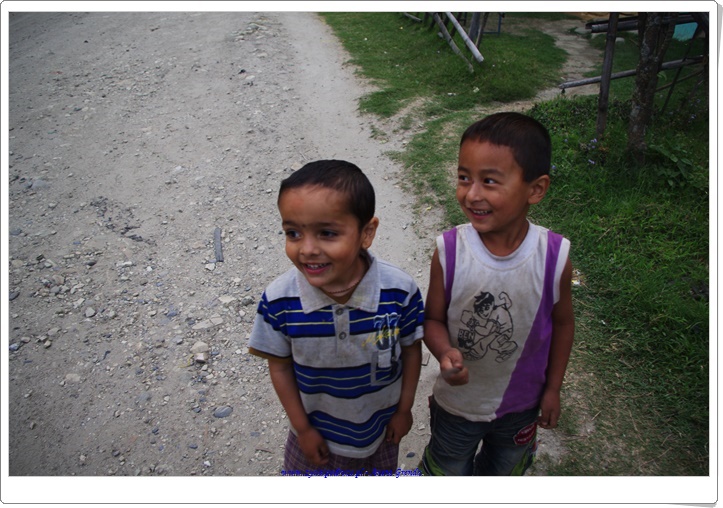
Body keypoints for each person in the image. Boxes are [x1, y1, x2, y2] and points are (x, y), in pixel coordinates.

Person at [420, 112, 575, 476]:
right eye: (464, 177)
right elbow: (432, 319)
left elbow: (563, 325)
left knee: (503, 474)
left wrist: (553, 389)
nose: (472, 194)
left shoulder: (553, 257)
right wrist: (444, 353)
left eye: (489, 181)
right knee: (447, 472)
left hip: (522, 406)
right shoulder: (450, 251)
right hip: (458, 404)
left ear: (535, 189)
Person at [248, 159, 424, 475]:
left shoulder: (400, 291)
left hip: (381, 432)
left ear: (367, 233)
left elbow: (411, 350)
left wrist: (404, 409)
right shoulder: (279, 301)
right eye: (293, 233)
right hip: (317, 436)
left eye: (327, 233)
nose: (307, 249)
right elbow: (280, 366)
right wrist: (303, 429)